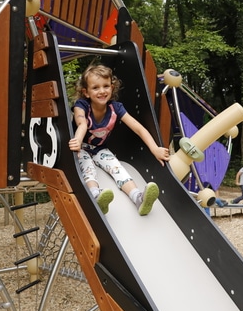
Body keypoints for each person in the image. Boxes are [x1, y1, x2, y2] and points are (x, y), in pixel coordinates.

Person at [69, 64, 170, 215]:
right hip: (81, 147)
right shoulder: (82, 105)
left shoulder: (115, 108)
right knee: (87, 168)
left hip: (100, 149)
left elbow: (138, 128)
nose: (102, 91)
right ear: (86, 92)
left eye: (106, 86)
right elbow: (82, 123)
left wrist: (155, 149)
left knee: (117, 169)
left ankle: (138, 199)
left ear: (112, 87)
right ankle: (96, 196)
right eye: (95, 88)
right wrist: (77, 141)